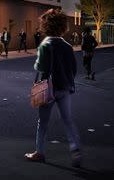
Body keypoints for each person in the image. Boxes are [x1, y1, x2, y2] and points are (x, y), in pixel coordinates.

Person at [25, 9, 81, 167]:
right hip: (64, 88)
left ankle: (39, 152)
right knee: (68, 120)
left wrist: (37, 64)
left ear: (45, 25)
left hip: (48, 89)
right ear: (63, 26)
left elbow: (40, 67)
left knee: (42, 122)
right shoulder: (67, 46)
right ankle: (75, 148)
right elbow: (73, 69)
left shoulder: (45, 45)